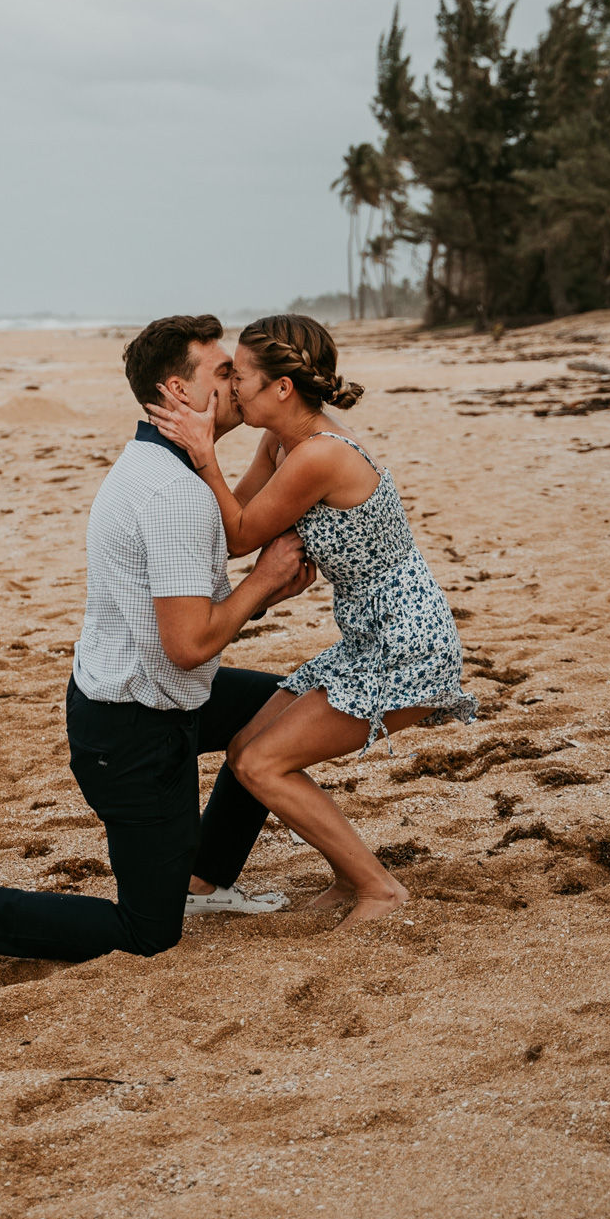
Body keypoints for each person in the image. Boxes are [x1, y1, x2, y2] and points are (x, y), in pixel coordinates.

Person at [0, 312, 317, 984]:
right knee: (147, 933)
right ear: (178, 392)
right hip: (135, 733)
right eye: (222, 372)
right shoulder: (172, 492)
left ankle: (205, 880)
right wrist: (263, 583)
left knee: (284, 710)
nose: (237, 384)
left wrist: (267, 578)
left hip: (144, 698)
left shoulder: (170, 464)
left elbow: (216, 565)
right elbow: (187, 645)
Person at [147, 312, 476, 928]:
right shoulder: (282, 443)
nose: (228, 389)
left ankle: (381, 889)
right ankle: (351, 875)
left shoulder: (320, 455)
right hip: (368, 636)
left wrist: (201, 454)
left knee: (261, 763)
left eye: (238, 376)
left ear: (281, 388)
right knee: (248, 742)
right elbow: (232, 519)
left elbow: (243, 536)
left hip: (405, 643)